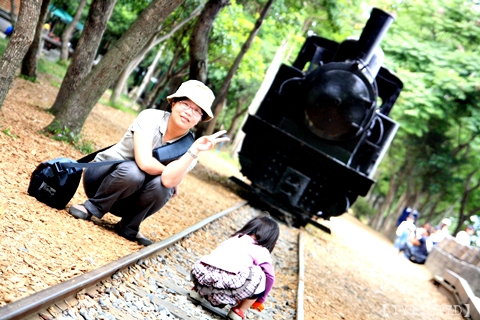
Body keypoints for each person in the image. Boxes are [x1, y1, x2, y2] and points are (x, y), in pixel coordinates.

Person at [68, 80, 230, 246]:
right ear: (173, 103)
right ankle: (92, 207)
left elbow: (167, 182)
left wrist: (193, 152)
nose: (189, 112)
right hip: (100, 180)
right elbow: (144, 162)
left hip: (129, 199)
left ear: (200, 119)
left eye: (197, 111)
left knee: (164, 187)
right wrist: (171, 174)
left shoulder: (192, 147)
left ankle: (129, 225)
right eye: (185, 104)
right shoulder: (150, 117)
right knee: (135, 171)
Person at [190, 215, 280, 320]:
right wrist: (260, 300)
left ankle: (197, 292)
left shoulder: (235, 238)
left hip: (202, 282)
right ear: (272, 240)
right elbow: (270, 277)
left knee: (215, 259)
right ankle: (239, 310)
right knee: (260, 274)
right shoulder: (261, 250)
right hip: (226, 293)